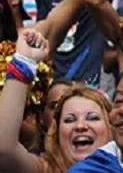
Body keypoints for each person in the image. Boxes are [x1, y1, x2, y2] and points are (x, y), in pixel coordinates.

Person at [0, 29, 113, 173]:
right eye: (69, 120)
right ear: (56, 133)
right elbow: (4, 150)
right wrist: (24, 60)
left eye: (92, 118)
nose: (80, 126)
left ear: (112, 127)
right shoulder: (45, 169)